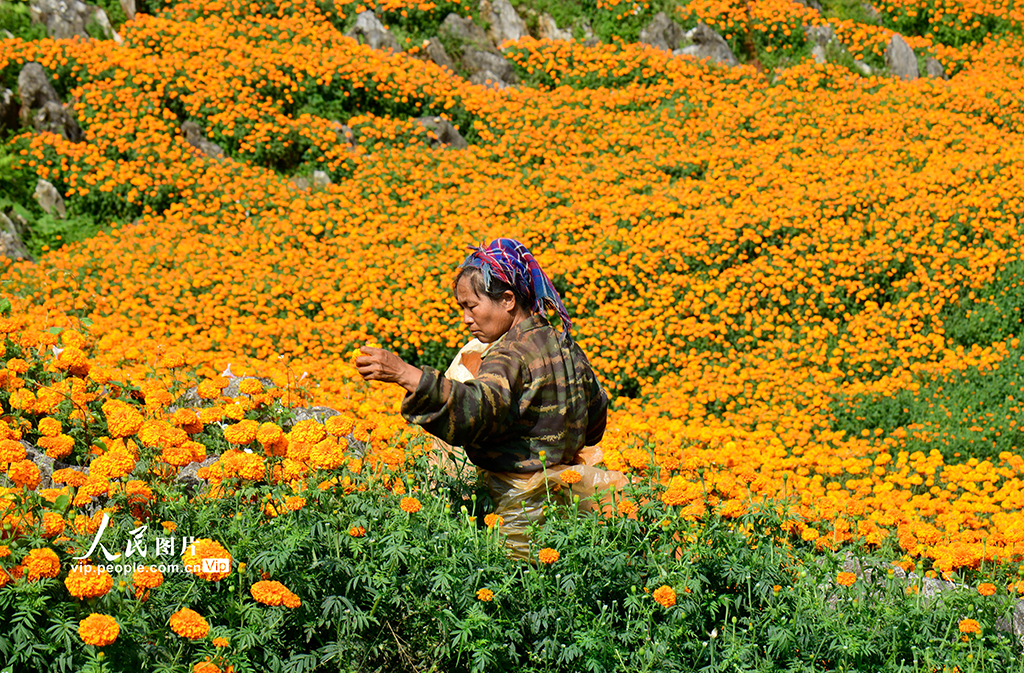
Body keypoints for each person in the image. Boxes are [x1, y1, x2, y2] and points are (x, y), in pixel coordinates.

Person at [356, 238, 617, 556]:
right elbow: (595, 420)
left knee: (515, 580)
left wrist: (405, 374)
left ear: (507, 300)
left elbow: (477, 411)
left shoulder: (509, 354)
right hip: (566, 505)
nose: (466, 318)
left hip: (517, 513)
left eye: (472, 306)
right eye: (462, 308)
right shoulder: (565, 345)